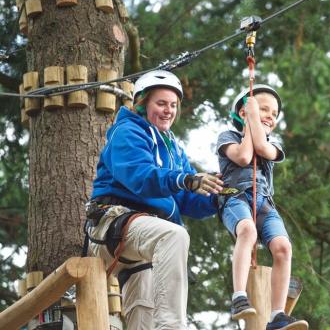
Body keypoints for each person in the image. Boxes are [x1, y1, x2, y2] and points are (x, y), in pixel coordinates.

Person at [85, 70, 224, 330]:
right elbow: (139, 177)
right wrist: (184, 179)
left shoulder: (172, 147)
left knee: (144, 316)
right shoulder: (127, 131)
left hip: (146, 243)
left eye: (173, 105)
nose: (168, 111)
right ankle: (172, 327)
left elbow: (186, 199)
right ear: (142, 103)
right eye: (161, 104)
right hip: (114, 224)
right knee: (174, 236)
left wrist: (218, 197)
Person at [216, 84, 309, 330]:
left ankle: (277, 315)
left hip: (264, 203)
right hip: (235, 198)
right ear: (243, 112)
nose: (269, 116)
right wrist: (250, 120)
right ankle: (238, 297)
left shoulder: (274, 145)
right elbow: (245, 157)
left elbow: (261, 148)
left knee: (283, 247)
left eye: (274, 113)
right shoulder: (227, 137)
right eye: (263, 109)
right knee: (247, 231)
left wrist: (254, 117)